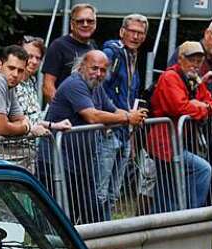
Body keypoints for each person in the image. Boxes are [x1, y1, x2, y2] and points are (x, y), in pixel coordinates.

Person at [43, 50, 146, 223]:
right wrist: (128, 118)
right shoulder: (75, 84)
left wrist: (134, 115)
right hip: (58, 161)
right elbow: (93, 116)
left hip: (81, 162)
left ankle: (94, 248)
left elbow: (112, 110)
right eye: (94, 68)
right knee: (58, 219)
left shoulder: (96, 87)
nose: (98, 74)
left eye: (103, 70)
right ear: (82, 66)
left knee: (92, 213)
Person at [149, 41, 212, 212]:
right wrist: (200, 107)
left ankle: (182, 219)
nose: (195, 65)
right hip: (164, 144)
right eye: (191, 59)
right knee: (200, 171)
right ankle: (191, 217)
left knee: (168, 190)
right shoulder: (170, 77)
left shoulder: (193, 79)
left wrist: (202, 106)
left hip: (175, 143)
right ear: (180, 59)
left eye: (199, 61)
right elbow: (179, 108)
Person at [99, 14, 148, 214]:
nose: (135, 37)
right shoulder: (112, 54)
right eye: (132, 31)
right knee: (100, 193)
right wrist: (120, 115)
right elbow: (99, 89)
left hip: (125, 134)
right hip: (108, 132)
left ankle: (106, 236)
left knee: (113, 194)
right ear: (122, 32)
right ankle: (92, 234)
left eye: (140, 33)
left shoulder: (133, 57)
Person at [42, 3, 97, 102]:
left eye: (90, 21)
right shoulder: (58, 46)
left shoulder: (93, 48)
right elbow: (47, 86)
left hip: (89, 111)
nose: (85, 24)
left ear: (95, 24)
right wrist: (61, 108)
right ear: (72, 24)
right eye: (80, 21)